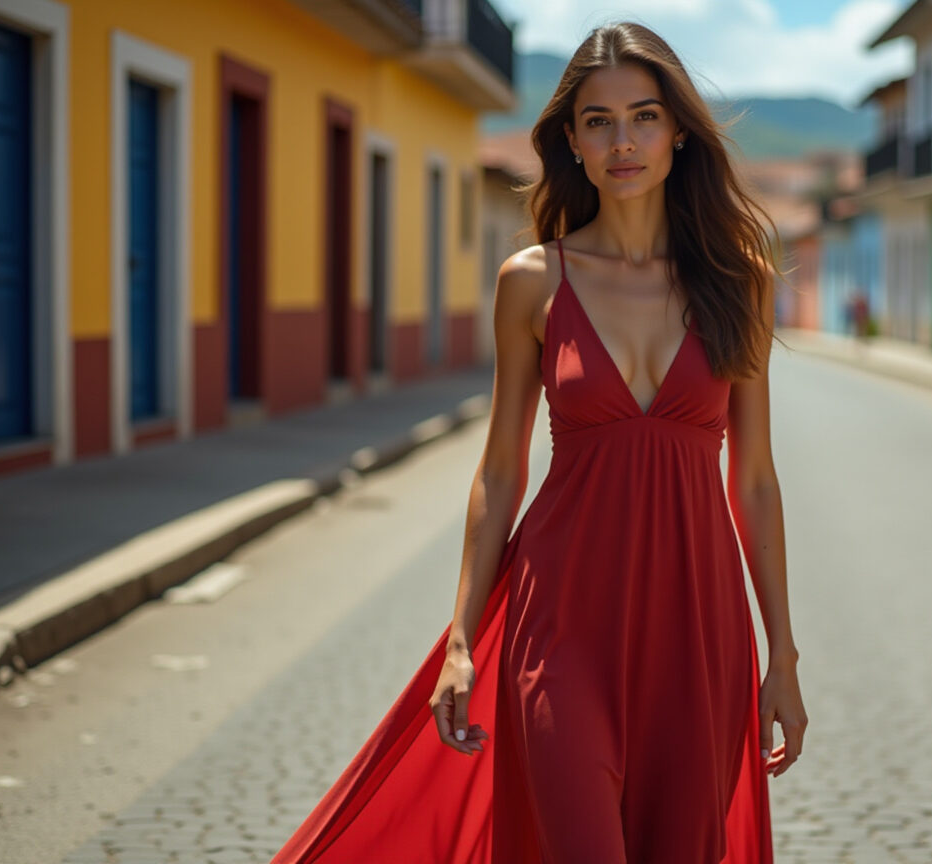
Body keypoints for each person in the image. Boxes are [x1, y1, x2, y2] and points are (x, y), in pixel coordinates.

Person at [270, 21, 804, 864]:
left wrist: (782, 654)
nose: (623, 141)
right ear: (572, 141)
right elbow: (500, 470)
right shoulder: (532, 282)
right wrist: (459, 641)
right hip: (559, 621)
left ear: (677, 133)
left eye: (644, 116)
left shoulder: (739, 280)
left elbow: (758, 482)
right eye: (598, 121)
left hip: (697, 626)